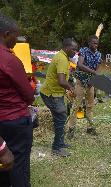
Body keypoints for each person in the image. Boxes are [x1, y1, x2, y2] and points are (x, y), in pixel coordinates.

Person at [0, 13, 35, 186]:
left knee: (3, 168)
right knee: (19, 167)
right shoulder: (9, 60)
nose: (17, 39)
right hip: (14, 122)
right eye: (16, 35)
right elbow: (28, 96)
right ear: (7, 34)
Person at [40, 38, 78, 157]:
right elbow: (62, 81)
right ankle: (56, 148)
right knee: (60, 118)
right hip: (52, 93)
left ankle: (60, 143)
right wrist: (71, 88)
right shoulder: (61, 59)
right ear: (66, 48)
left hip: (56, 93)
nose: (75, 52)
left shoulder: (63, 57)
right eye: (73, 49)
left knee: (61, 117)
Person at [67, 35, 102, 138]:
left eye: (97, 43)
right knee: (76, 106)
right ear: (89, 43)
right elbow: (80, 65)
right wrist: (93, 72)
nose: (95, 45)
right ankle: (71, 129)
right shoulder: (83, 51)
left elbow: (98, 69)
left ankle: (90, 128)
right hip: (81, 82)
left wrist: (94, 79)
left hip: (91, 84)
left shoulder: (99, 54)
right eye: (93, 43)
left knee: (90, 106)